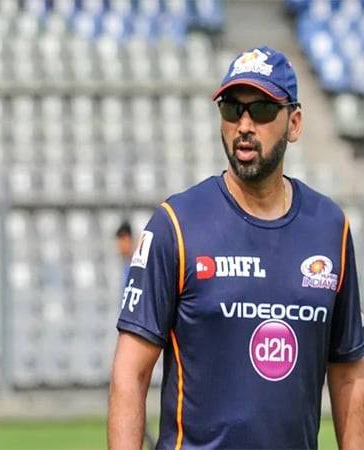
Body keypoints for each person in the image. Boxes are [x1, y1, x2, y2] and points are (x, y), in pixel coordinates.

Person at [108, 46, 364, 449]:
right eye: (232, 109)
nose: (244, 124)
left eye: (261, 110)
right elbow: (130, 373)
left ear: (294, 123)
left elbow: (349, 373)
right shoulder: (176, 224)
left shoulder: (331, 228)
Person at [115, 221, 134, 285]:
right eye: (119, 240)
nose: (120, 245)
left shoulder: (138, 266)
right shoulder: (125, 265)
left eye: (123, 239)